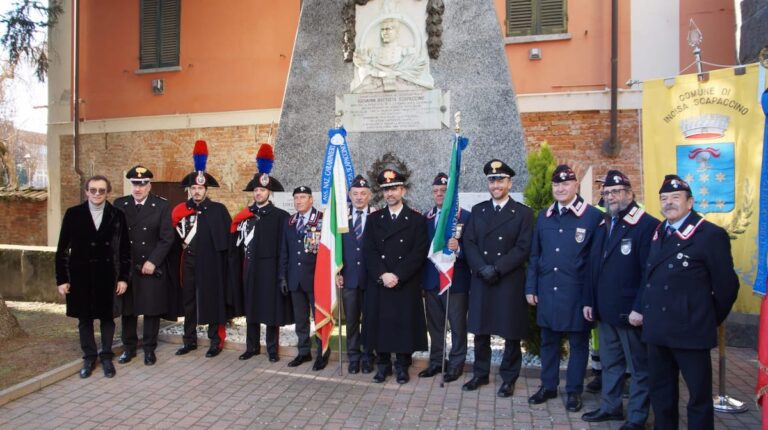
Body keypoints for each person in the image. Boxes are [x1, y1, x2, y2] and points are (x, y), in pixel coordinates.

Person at [630, 174, 739, 430]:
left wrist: (706, 318)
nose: (669, 203)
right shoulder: (659, 231)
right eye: (664, 198)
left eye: (675, 198)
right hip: (657, 331)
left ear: (690, 202)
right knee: (662, 395)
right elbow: (649, 277)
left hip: (691, 331)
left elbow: (727, 287)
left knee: (698, 399)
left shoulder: (709, 235)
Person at [582, 170, 659, 430]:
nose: (610, 197)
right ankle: (610, 407)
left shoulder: (646, 225)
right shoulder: (605, 223)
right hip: (605, 310)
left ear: (629, 193)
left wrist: (640, 308)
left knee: (639, 368)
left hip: (630, 313)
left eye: (616, 192)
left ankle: (637, 417)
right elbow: (594, 267)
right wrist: (590, 301)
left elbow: (650, 273)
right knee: (610, 364)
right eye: (606, 193)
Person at [526, 164, 602, 412]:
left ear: (576, 186)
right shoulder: (545, 216)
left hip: (577, 294)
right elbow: (536, 255)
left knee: (579, 344)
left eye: (566, 184)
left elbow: (596, 262)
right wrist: (531, 287)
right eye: (556, 185)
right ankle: (548, 386)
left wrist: (591, 298)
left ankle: (573, 391)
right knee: (549, 341)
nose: (560, 188)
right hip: (548, 291)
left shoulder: (592, 216)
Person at [462, 160, 533, 397]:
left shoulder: (523, 213)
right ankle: (480, 374)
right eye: (492, 180)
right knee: (481, 331)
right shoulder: (478, 210)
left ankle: (509, 378)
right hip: (482, 278)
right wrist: (482, 268)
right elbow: (469, 242)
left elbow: (523, 248)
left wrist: (498, 268)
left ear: (509, 183)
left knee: (511, 332)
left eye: (500, 180)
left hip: (508, 279)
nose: (496, 185)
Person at [55, 175, 131, 378]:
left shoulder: (117, 215)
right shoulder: (73, 214)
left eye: (102, 190)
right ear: (87, 191)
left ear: (108, 193)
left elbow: (125, 251)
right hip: (81, 276)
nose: (97, 194)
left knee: (107, 319)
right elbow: (62, 249)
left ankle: (106, 356)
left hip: (108, 276)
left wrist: (123, 277)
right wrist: (62, 279)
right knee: (84, 319)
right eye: (93, 190)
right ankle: (89, 357)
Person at [363, 168, 428, 384]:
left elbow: (419, 252)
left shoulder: (417, 220)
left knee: (403, 325)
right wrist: (383, 274)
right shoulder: (373, 219)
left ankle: (402, 366)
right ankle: (382, 366)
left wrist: (397, 275)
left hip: (404, 282)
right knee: (379, 324)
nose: (390, 194)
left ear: (403, 190)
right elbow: (369, 251)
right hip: (380, 282)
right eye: (386, 190)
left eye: (394, 188)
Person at [171, 140, 232, 358]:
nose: (197, 192)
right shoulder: (180, 210)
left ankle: (215, 341)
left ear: (206, 190)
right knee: (189, 301)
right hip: (189, 261)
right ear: (190, 190)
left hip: (211, 263)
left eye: (200, 188)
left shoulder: (218, 210)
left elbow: (227, 242)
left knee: (212, 300)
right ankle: (190, 340)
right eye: (194, 188)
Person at [114, 166, 174, 366]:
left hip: (150, 267)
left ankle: (149, 349)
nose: (138, 188)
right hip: (128, 266)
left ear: (149, 185)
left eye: (142, 184)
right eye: (134, 184)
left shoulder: (162, 206)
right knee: (128, 311)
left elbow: (167, 238)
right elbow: (116, 238)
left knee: (151, 310)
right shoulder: (120, 204)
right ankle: (128, 348)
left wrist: (153, 261)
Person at [231, 171, 293, 362]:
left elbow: (285, 248)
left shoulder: (281, 216)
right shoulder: (246, 216)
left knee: (271, 309)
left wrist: (283, 274)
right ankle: (252, 347)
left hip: (271, 268)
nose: (258, 193)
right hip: (250, 268)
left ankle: (272, 349)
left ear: (269, 192)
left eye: (262, 190)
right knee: (251, 307)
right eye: (256, 190)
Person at [419, 172, 471, 383]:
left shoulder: (465, 217)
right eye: (436, 191)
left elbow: (473, 249)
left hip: (456, 282)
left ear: (451, 193)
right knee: (435, 326)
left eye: (443, 191)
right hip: (432, 281)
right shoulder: (427, 218)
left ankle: (456, 364)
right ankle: (437, 362)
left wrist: (459, 249)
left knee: (458, 327)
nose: (439, 194)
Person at [279, 186, 329, 370]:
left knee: (320, 318)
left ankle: (322, 353)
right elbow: (284, 251)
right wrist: (282, 277)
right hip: (294, 279)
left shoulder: (322, 220)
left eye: (303, 197)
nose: (299, 201)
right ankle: (304, 352)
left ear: (311, 200)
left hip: (316, 279)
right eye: (296, 198)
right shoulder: (290, 221)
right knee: (300, 319)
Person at [337, 175, 376, 374]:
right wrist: (338, 271)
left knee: (370, 320)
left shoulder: (378, 216)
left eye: (363, 193)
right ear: (350, 196)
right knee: (351, 321)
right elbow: (337, 248)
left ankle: (368, 356)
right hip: (349, 278)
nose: (359, 197)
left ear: (369, 195)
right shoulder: (342, 218)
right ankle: (354, 357)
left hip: (371, 280)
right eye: (355, 194)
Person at [351, 17, 433, 92]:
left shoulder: (408, 53)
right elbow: (365, 71)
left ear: (397, 32)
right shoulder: (372, 53)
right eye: (383, 29)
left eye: (389, 29)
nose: (385, 32)